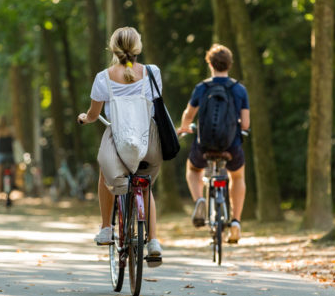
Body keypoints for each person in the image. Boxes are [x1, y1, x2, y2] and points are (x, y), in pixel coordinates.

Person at [76, 27, 163, 266]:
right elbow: (154, 106)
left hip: (120, 141)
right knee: (145, 185)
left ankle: (106, 228)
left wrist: (85, 117)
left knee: (106, 170)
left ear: (113, 48)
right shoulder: (153, 73)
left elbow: (94, 115)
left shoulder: (103, 77)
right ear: (138, 48)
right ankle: (154, 241)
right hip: (149, 143)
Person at [176, 44, 250, 243]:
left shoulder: (202, 88)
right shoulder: (239, 89)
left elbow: (188, 114)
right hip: (231, 146)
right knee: (237, 175)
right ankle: (235, 221)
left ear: (209, 64)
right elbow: (246, 123)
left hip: (205, 145)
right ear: (230, 64)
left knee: (193, 169)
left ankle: (199, 199)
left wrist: (184, 127)